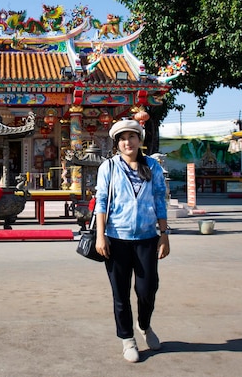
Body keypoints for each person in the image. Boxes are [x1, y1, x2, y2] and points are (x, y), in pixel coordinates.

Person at [94, 118, 170, 363]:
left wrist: (164, 235)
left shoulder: (153, 167)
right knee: (121, 293)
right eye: (123, 138)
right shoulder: (110, 167)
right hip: (117, 238)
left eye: (132, 137)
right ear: (117, 143)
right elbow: (101, 202)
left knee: (147, 289)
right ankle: (127, 339)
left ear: (140, 140)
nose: (128, 142)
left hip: (147, 237)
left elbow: (160, 200)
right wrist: (101, 236)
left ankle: (144, 325)